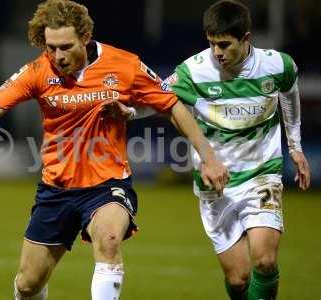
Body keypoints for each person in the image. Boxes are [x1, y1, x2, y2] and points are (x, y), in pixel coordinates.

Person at [0, 1, 228, 299]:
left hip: (108, 184)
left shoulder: (124, 65)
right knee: (28, 284)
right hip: (57, 189)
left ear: (85, 37)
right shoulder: (38, 71)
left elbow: (172, 107)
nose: (58, 56)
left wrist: (208, 158)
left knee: (110, 239)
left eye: (65, 47)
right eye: (51, 47)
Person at [107, 0, 311, 299]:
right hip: (215, 181)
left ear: (246, 39)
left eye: (225, 45)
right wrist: (131, 114)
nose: (218, 53)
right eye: (213, 44)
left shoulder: (277, 65)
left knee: (265, 260)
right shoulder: (195, 70)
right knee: (239, 278)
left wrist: (295, 146)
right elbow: (161, 98)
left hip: (262, 173)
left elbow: (289, 93)